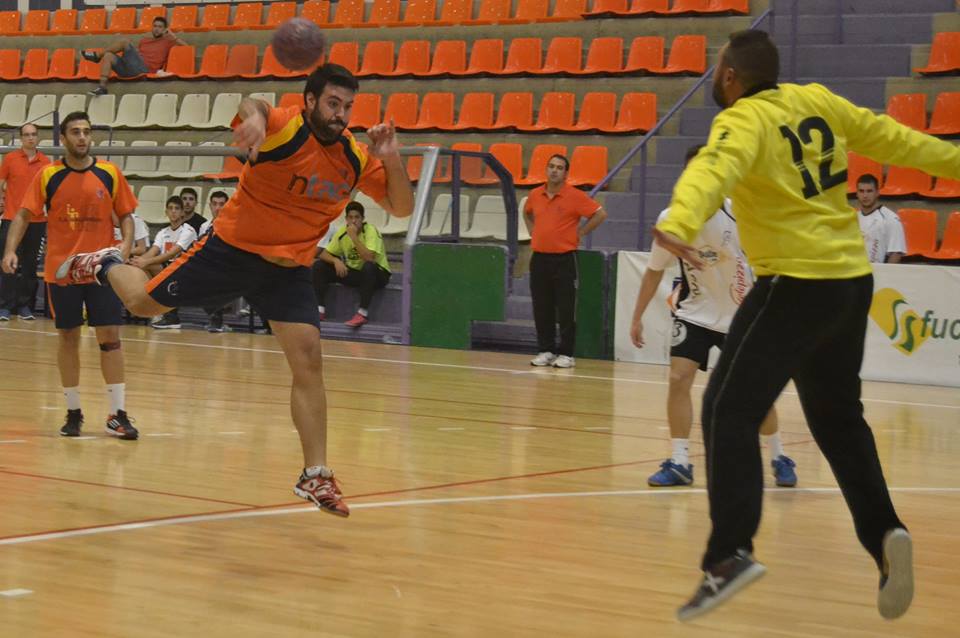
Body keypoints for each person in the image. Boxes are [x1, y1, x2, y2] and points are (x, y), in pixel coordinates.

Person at [652, 29, 960, 622]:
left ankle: (728, 554)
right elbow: (897, 140)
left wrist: (682, 218)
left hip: (795, 283)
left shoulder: (741, 120)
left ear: (730, 76)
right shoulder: (819, 100)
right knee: (838, 420)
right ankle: (884, 535)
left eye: (718, 69)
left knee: (726, 409)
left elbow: (712, 169)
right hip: (850, 283)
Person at [54, 64, 414, 516]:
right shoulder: (286, 127)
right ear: (309, 101)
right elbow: (254, 105)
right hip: (233, 251)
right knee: (142, 303)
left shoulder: (355, 157)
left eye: (347, 107)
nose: (341, 114)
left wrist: (392, 155)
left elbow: (401, 206)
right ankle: (104, 262)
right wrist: (255, 120)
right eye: (332, 103)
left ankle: (315, 474)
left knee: (308, 359)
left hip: (288, 269)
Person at [631, 145, 797, 489]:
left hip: (740, 314)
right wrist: (637, 317)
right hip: (694, 313)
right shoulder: (671, 221)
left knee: (753, 391)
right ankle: (679, 461)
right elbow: (653, 271)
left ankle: (779, 454)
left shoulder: (741, 213)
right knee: (678, 379)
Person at [1, 111, 139, 440]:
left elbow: (127, 216)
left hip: (101, 271)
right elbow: (22, 216)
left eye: (87, 132)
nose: (82, 137)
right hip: (61, 271)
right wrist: (9, 251)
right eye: (75, 132)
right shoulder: (49, 175)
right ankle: (73, 411)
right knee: (68, 338)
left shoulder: (109, 173)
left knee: (110, 339)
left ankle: (117, 414)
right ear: (63, 138)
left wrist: (127, 247)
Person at [523, 154, 608, 369]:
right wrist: (534, 231)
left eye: (559, 168)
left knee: (566, 308)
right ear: (546, 169)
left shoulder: (575, 196)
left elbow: (600, 214)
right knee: (542, 307)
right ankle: (546, 350)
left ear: (566, 173)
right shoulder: (535, 194)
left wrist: (580, 233)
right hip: (540, 258)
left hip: (565, 259)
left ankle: (567, 353)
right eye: (551, 166)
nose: (554, 170)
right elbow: (527, 213)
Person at [0, 123, 51, 321]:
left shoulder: (45, 162)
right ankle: (5, 306)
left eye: (34, 134)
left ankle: (25, 306)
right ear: (21, 138)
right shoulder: (11, 158)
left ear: (38, 137)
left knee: (30, 266)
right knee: (7, 264)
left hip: (37, 220)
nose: (30, 138)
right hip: (12, 218)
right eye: (27, 135)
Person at [313, 200, 391, 327]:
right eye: (350, 217)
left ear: (363, 219)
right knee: (319, 266)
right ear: (346, 219)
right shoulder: (343, 232)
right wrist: (336, 260)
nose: (353, 221)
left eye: (357, 217)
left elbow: (369, 258)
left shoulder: (370, 231)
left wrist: (354, 237)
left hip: (379, 275)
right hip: (356, 273)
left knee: (368, 267)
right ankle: (319, 309)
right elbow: (322, 253)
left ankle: (362, 313)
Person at [131, 196, 197, 330]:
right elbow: (153, 252)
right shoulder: (163, 232)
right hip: (169, 270)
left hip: (186, 270)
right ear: (166, 212)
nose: (173, 212)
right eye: (170, 208)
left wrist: (145, 261)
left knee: (150, 265)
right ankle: (159, 309)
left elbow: (171, 254)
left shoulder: (188, 230)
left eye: (177, 209)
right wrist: (138, 261)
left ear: (183, 212)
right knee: (143, 267)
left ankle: (164, 312)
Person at [82, 16, 186, 96]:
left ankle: (97, 56)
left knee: (124, 42)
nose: (156, 29)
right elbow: (138, 56)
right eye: (155, 26)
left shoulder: (168, 41)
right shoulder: (144, 40)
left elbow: (186, 47)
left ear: (165, 29)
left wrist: (173, 36)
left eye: (160, 27)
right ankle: (102, 88)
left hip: (145, 70)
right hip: (131, 69)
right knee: (108, 55)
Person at [855, 174, 907, 264]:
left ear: (877, 193)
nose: (865, 195)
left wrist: (886, 276)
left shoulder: (890, 218)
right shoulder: (853, 218)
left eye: (869, 191)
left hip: (878, 273)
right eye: (861, 191)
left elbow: (896, 253)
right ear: (857, 193)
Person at [199, 190, 231, 332]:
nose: (218, 207)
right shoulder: (204, 227)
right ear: (210, 206)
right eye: (215, 204)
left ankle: (216, 317)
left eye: (221, 204)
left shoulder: (233, 225)